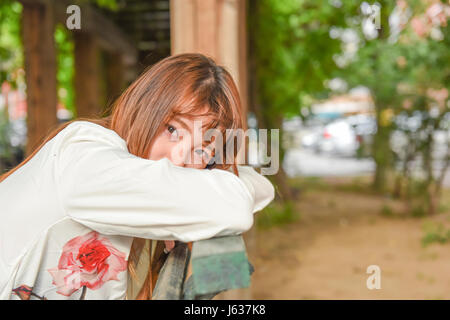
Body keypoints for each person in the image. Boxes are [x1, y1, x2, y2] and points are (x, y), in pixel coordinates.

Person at [0, 53, 275, 300]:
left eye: (202, 150)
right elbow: (235, 207)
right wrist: (193, 204)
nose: (179, 159)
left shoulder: (143, 203)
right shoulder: (84, 152)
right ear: (145, 107)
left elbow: (261, 187)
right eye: (171, 129)